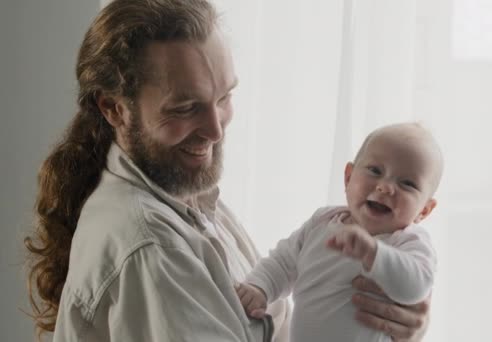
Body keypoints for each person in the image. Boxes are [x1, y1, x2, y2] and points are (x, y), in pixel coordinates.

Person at [23, 0, 431, 341]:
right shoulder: (152, 249)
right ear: (113, 108)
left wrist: (383, 323)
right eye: (185, 108)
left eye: (224, 97)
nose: (216, 130)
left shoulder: (186, 193)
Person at [237, 123, 442, 342]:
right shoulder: (322, 222)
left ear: (424, 210)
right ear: (348, 178)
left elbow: (416, 288)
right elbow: (282, 262)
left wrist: (374, 253)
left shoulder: (408, 242)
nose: (385, 187)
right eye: (375, 171)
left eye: (407, 183)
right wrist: (259, 288)